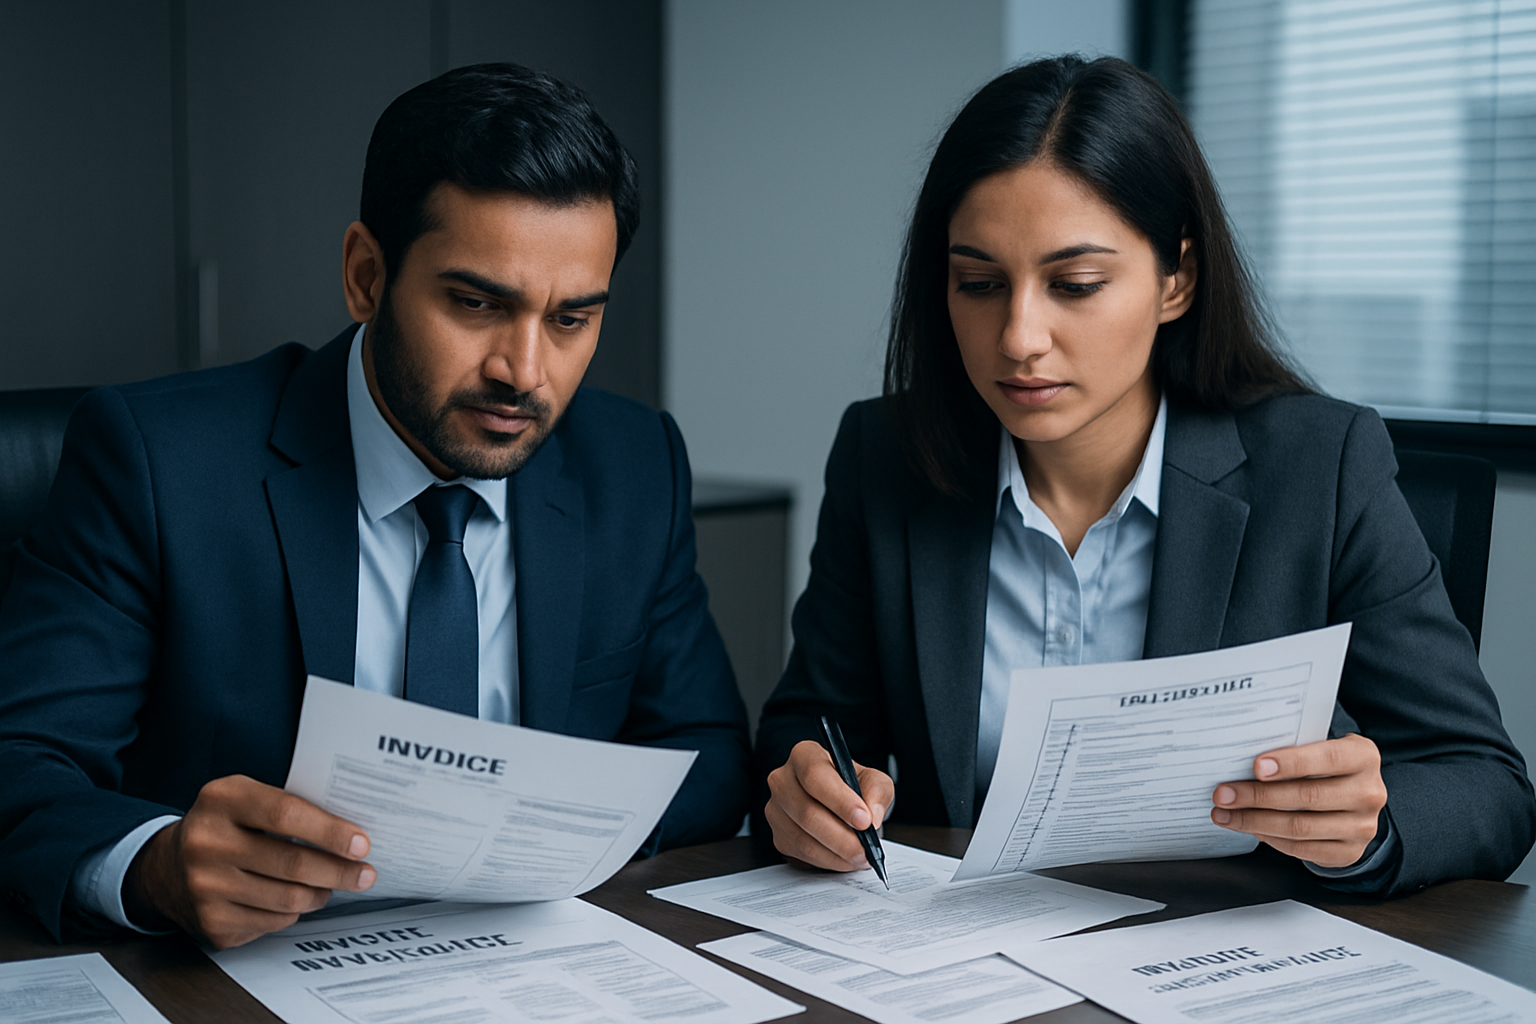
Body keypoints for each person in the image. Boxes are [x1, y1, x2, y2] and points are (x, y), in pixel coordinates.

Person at [0, 63, 750, 948]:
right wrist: (156, 864)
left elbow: (703, 749)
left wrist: (556, 845)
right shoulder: (158, 461)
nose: (524, 370)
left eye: (571, 319)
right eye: (476, 303)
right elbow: (21, 764)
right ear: (365, 275)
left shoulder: (634, 465)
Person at [755, 55, 1534, 895]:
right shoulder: (887, 454)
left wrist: (1367, 830)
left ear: (1177, 279)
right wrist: (814, 794)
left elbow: (1485, 783)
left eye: (1076, 284)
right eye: (978, 283)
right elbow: (812, 726)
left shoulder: (1321, 464)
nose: (1018, 336)